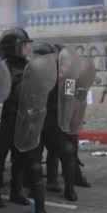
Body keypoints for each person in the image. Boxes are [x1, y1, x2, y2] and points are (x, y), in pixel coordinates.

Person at [0, 27, 50, 213]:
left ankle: (38, 207)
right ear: (13, 48)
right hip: (3, 123)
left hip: (24, 121)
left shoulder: (32, 68)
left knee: (32, 165)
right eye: (23, 45)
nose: (27, 48)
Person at [33, 43, 78, 201]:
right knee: (34, 159)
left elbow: (69, 97)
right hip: (38, 123)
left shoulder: (61, 75)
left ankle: (68, 188)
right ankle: (34, 189)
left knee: (67, 151)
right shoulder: (33, 76)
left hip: (53, 122)